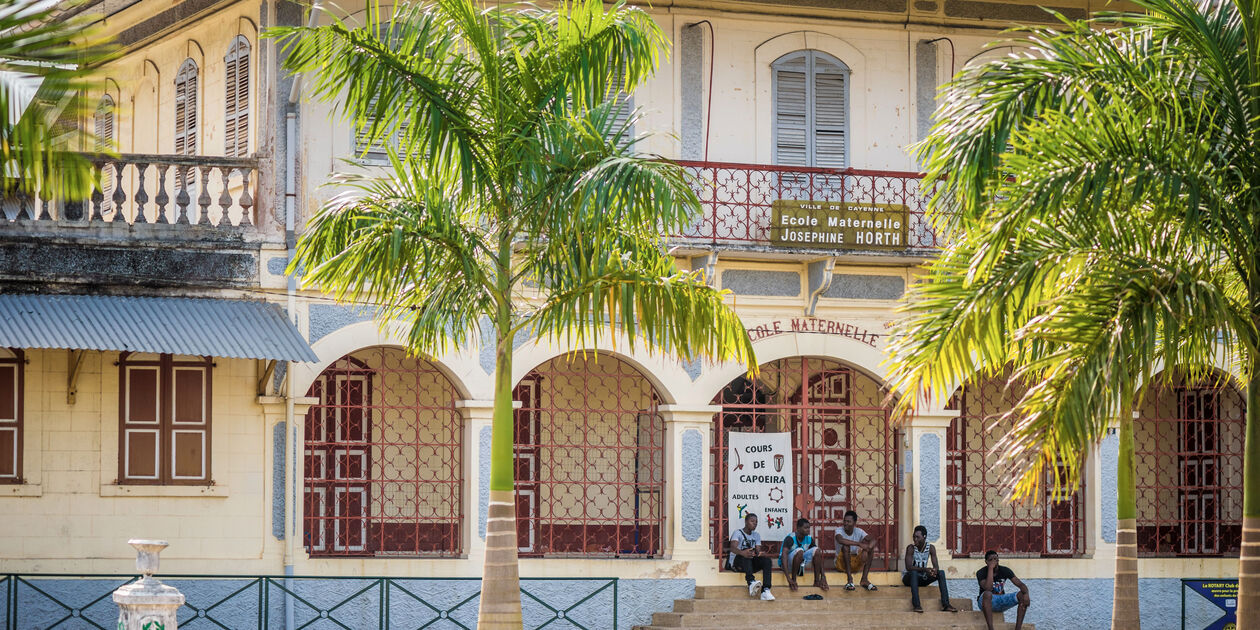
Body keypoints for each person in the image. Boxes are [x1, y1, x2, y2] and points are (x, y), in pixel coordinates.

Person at [902, 525, 957, 613]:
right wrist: (925, 569)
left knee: (941, 573)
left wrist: (933, 571)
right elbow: (909, 567)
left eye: (917, 537)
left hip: (921, 578)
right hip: (909, 578)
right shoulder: (911, 548)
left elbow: (936, 567)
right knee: (914, 573)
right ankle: (917, 605)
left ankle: (946, 605)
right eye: (914, 537)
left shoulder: (931, 548)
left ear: (924, 537)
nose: (915, 539)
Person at [976, 550, 1030, 630]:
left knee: (1022, 595)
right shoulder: (981, 572)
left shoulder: (1005, 570)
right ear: (986, 562)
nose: (994, 561)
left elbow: (1020, 584)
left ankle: (1018, 628)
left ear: (998, 560)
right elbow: (988, 588)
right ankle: (991, 628)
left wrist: (1026, 594)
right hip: (985, 602)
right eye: (991, 560)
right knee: (987, 593)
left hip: (1001, 600)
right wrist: (990, 568)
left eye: (996, 559)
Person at [729, 513, 775, 600]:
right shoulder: (737, 533)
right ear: (746, 522)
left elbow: (757, 552)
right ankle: (751, 582)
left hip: (749, 565)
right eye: (752, 521)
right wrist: (742, 553)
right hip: (738, 563)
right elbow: (732, 548)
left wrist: (761, 554)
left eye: (756, 522)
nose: (755, 523)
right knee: (747, 553)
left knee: (767, 561)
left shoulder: (756, 535)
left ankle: (766, 590)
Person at [780, 517, 828, 592]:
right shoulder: (790, 538)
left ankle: (817, 581)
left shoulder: (808, 538)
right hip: (787, 565)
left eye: (809, 527)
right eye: (805, 528)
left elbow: (817, 555)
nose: (808, 530)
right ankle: (794, 579)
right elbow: (784, 557)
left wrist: (823, 576)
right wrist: (788, 578)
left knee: (817, 550)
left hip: (798, 564)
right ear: (798, 528)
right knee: (800, 551)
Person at [834, 509, 878, 591]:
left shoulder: (859, 531)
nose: (845, 523)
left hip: (855, 564)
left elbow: (873, 539)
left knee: (871, 549)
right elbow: (840, 540)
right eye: (845, 521)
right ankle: (849, 580)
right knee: (845, 547)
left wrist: (867, 549)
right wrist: (859, 544)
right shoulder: (839, 530)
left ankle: (864, 579)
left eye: (848, 521)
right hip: (841, 564)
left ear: (854, 523)